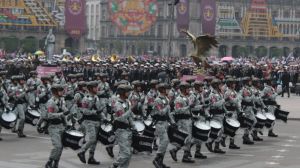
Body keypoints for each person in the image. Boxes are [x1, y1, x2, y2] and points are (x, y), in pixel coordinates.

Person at [77, 81, 106, 165]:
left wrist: (104, 118)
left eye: (97, 87)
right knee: (92, 139)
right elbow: (84, 111)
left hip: (97, 121)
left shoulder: (96, 97)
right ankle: (82, 151)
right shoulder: (86, 98)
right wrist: (95, 112)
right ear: (90, 89)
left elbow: (99, 109)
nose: (97, 88)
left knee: (95, 140)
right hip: (89, 121)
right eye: (95, 87)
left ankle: (91, 157)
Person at [110, 84, 136, 168]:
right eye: (127, 91)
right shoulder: (118, 104)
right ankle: (114, 165)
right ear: (122, 92)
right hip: (120, 130)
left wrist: (133, 126)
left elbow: (129, 117)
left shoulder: (126, 102)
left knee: (129, 154)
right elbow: (121, 118)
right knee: (126, 153)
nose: (129, 93)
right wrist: (130, 110)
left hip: (127, 130)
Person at [169, 82, 195, 163]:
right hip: (182, 121)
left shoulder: (187, 98)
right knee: (187, 139)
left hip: (188, 120)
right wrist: (188, 107)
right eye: (187, 88)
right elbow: (178, 110)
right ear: (183, 89)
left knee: (189, 139)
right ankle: (184, 156)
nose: (189, 90)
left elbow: (189, 109)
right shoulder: (179, 99)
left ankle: (176, 151)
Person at [45, 84, 69, 168]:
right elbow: (49, 115)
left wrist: (67, 124)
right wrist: (62, 113)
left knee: (61, 147)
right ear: (55, 92)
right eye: (60, 90)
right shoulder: (50, 102)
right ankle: (49, 161)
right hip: (53, 126)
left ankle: (56, 163)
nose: (62, 92)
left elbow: (64, 111)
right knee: (57, 146)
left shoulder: (61, 100)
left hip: (61, 125)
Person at [152, 83, 175, 168]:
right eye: (167, 89)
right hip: (159, 123)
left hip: (165, 123)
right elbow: (160, 112)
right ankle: (156, 159)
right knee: (164, 141)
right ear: (162, 90)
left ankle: (160, 162)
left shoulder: (166, 99)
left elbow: (168, 113)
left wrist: (172, 122)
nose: (169, 91)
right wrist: (167, 107)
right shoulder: (157, 100)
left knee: (164, 143)